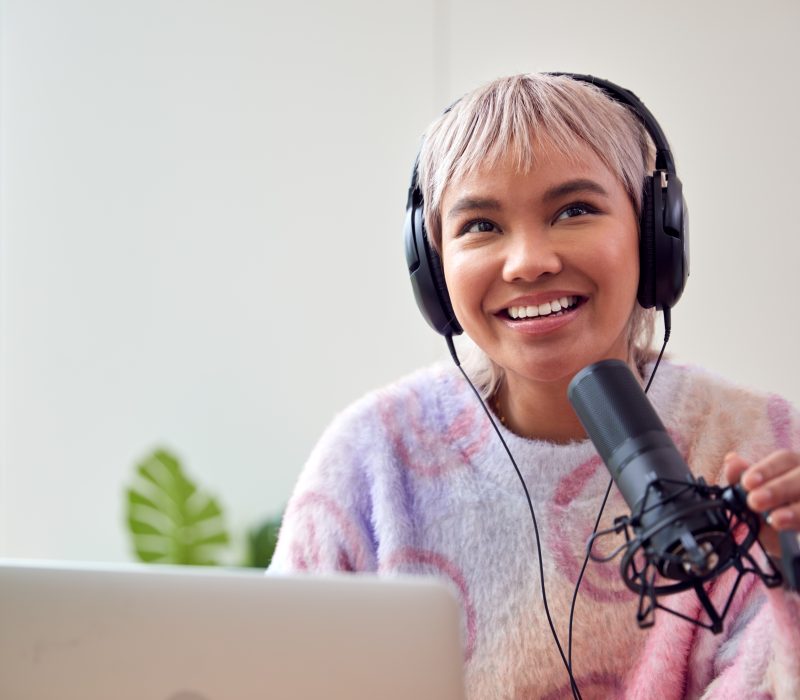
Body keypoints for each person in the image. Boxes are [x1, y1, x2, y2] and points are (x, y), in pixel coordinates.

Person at [269, 73, 800, 699]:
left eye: (574, 211)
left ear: (657, 236)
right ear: (433, 268)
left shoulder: (760, 446)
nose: (527, 262)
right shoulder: (371, 456)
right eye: (480, 226)